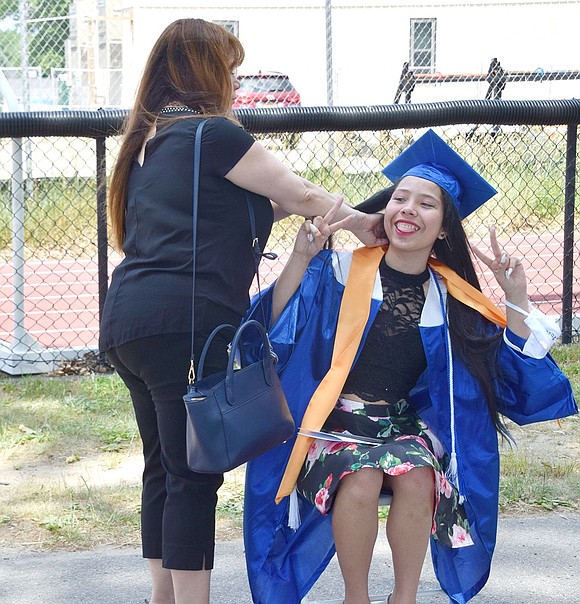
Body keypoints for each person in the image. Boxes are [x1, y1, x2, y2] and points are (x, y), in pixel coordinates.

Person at [98, 18, 387, 604]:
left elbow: (264, 211)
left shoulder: (158, 144)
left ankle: (164, 597)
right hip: (182, 322)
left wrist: (324, 220)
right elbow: (300, 195)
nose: (234, 80)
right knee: (192, 476)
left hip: (132, 322)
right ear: (204, 73)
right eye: (229, 68)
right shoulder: (216, 135)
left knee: (166, 466)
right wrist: (364, 223)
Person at [242, 129, 577, 604]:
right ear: (386, 210)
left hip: (401, 426)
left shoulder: (453, 300)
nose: (408, 210)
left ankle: (405, 598)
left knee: (419, 477)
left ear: (443, 227)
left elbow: (511, 374)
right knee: (360, 480)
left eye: (426, 204)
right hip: (329, 425)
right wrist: (300, 257)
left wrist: (516, 297)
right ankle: (355, 597)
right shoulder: (338, 272)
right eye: (400, 198)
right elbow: (272, 329)